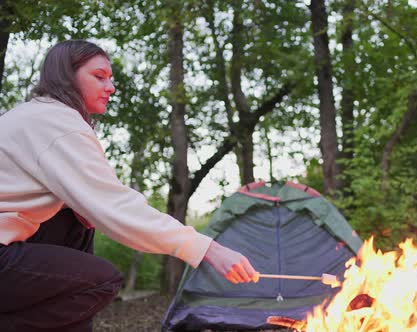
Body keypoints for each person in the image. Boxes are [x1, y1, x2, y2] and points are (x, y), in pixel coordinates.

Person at [0, 40, 258, 332]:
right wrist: (208, 249)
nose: (110, 87)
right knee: (99, 281)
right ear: (66, 76)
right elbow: (117, 208)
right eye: (99, 77)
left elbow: (98, 205)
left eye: (111, 78)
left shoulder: (34, 116)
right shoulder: (57, 123)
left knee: (79, 219)